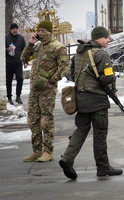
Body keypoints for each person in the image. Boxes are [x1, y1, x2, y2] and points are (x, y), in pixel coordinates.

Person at [59, 26, 123, 180]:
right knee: (100, 134)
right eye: (106, 37)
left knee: (81, 130)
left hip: (81, 99)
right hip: (98, 100)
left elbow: (72, 75)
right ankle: (103, 167)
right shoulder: (101, 54)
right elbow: (108, 78)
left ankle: (67, 158)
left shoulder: (79, 53)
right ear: (97, 39)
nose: (108, 40)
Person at [21, 20, 69, 162]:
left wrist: (52, 81)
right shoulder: (36, 47)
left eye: (43, 30)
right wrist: (30, 43)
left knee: (46, 120)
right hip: (34, 89)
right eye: (38, 30)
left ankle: (48, 151)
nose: (40, 33)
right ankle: (37, 150)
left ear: (49, 31)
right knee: (33, 119)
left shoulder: (57, 47)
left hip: (47, 90)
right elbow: (23, 58)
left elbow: (65, 67)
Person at [5, 23, 27, 105]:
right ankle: (9, 97)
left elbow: (25, 51)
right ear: (10, 30)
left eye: (16, 29)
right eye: (13, 29)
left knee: (20, 79)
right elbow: (1, 49)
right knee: (9, 81)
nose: (15, 30)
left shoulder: (21, 38)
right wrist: (8, 49)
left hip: (18, 62)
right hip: (8, 63)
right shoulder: (6, 37)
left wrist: (25, 62)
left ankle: (18, 96)